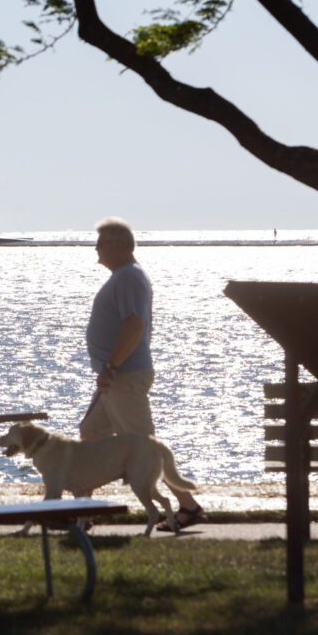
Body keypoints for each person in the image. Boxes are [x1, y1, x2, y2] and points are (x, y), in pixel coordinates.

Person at [80, 217, 204, 530]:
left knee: (143, 446)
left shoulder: (129, 278)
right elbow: (141, 329)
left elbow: (135, 325)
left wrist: (111, 367)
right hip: (117, 377)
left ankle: (188, 507)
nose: (96, 249)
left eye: (101, 243)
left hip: (122, 376)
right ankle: (82, 513)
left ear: (118, 246)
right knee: (90, 433)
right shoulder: (125, 277)